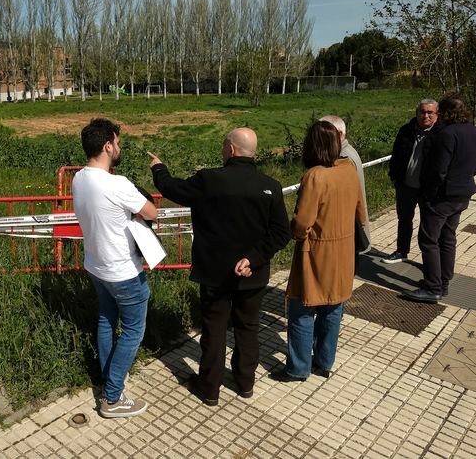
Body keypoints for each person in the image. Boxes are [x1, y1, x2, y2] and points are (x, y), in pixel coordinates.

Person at [149, 128, 290, 405]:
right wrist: (254, 258)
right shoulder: (270, 186)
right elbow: (281, 232)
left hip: (215, 275)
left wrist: (158, 168)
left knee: (213, 330)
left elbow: (171, 188)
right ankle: (245, 382)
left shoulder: (209, 180)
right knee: (248, 327)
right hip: (254, 275)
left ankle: (209, 387)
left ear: (231, 149)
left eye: (224, 145)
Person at [72, 118, 158, 418]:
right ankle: (112, 397)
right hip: (123, 271)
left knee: (107, 320)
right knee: (134, 329)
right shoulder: (117, 183)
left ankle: (110, 379)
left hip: (96, 266)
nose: (119, 147)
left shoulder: (79, 179)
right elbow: (151, 211)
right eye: (117, 143)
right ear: (108, 145)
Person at [271, 121, 365, 382]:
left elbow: (302, 223)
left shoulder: (315, 176)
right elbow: (361, 214)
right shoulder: (349, 170)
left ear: (311, 146)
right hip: (344, 250)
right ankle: (324, 362)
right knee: (333, 307)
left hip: (316, 252)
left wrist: (296, 232)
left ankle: (298, 368)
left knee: (302, 308)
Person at [404, 94, 476, 303]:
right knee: (448, 238)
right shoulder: (475, 131)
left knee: (428, 240)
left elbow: (438, 170)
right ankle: (443, 282)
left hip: (442, 197)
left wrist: (429, 194)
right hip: (462, 194)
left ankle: (432, 287)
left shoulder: (447, 134)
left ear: (445, 113)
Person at [382, 99, 440, 263]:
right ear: (416, 113)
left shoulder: (441, 134)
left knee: (428, 225)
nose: (425, 116)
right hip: (405, 185)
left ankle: (429, 260)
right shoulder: (406, 131)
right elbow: (396, 156)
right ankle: (402, 251)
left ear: (437, 114)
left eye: (430, 112)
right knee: (404, 219)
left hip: (427, 189)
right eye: (422, 112)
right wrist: (394, 177)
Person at [320, 115, 370, 249]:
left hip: (347, 227)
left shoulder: (344, 157)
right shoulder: (345, 152)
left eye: (323, 133)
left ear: (339, 134)